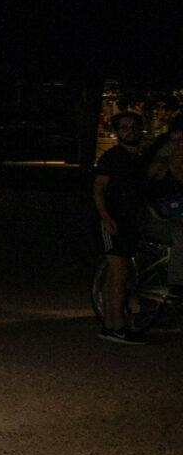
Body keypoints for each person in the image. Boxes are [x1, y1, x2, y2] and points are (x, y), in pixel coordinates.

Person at [94, 111, 153, 343]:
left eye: (133, 126)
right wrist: (105, 217)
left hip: (130, 221)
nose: (130, 131)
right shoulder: (112, 157)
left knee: (115, 276)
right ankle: (118, 326)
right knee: (119, 274)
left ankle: (110, 325)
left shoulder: (139, 157)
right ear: (117, 132)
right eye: (124, 127)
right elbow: (98, 188)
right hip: (114, 221)